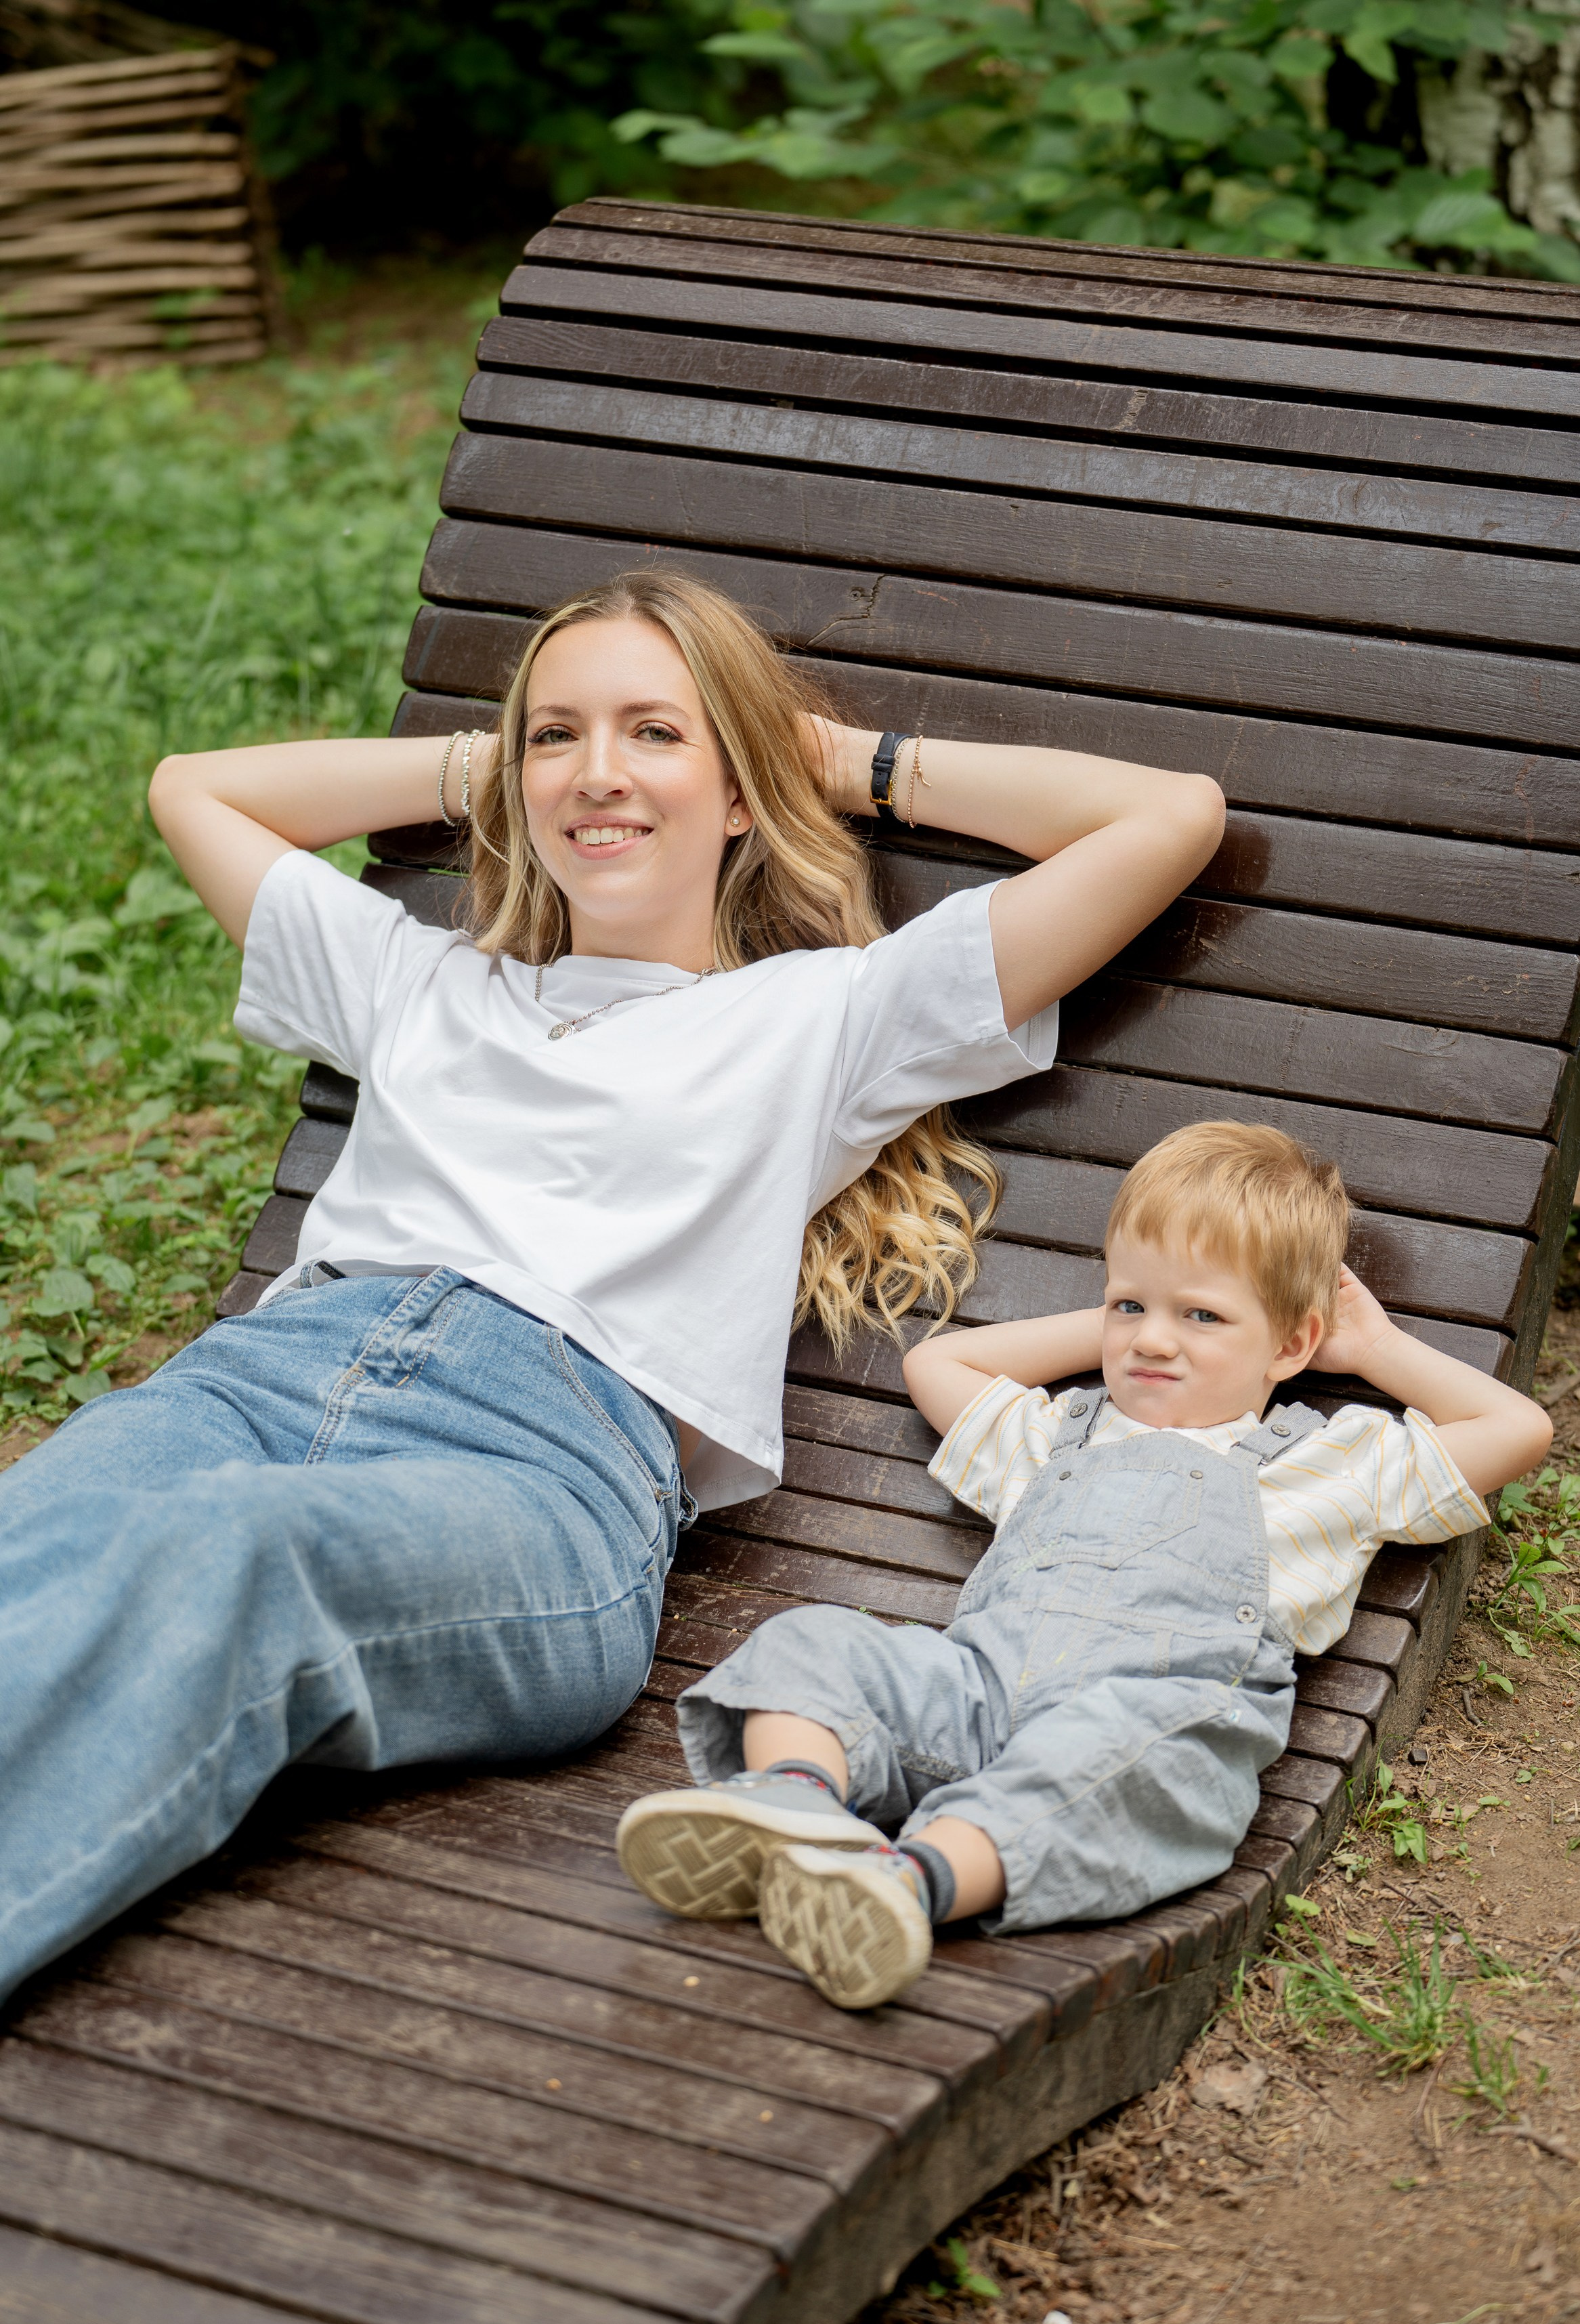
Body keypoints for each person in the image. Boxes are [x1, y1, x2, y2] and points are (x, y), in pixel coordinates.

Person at [0, 570, 1227, 2006]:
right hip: (251, 1387)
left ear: (741, 796)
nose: (598, 772)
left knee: (230, 1554)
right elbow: (195, 791)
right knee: (47, 1528)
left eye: (657, 733)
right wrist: (498, 759)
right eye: (557, 738)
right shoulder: (420, 983)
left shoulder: (820, 1020)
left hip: (540, 1479)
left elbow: (1167, 819)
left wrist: (832, 760)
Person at [617, 1121, 1552, 2011]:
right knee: (813, 1643)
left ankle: (907, 1881)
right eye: (1129, 1307)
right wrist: (1124, 1311)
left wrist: (1372, 1348)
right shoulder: (1055, 1436)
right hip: (977, 1691)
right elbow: (942, 1365)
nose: (1151, 1338)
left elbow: (1516, 1430)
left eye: (1201, 1315)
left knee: (1104, 1761)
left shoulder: (1325, 1469)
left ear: (1293, 1342)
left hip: (1150, 1714)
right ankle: (795, 1806)